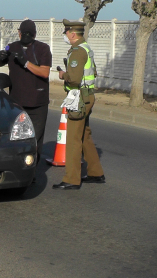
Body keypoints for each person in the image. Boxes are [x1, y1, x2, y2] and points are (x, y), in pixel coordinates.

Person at [53, 19, 105, 190]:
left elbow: (74, 79)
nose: (66, 36)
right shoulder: (86, 48)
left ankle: (72, 179)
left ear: (73, 34)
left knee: (74, 138)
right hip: (88, 95)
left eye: (67, 33)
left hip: (79, 97)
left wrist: (63, 75)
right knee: (84, 135)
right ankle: (95, 172)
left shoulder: (77, 52)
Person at [0, 19, 52, 163]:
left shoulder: (43, 49)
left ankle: (32, 170)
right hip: (16, 103)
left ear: (34, 35)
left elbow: (45, 73)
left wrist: (26, 63)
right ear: (18, 33)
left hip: (38, 103)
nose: (25, 36)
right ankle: (18, 167)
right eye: (23, 33)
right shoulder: (12, 47)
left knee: (34, 140)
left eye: (29, 34)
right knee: (16, 139)